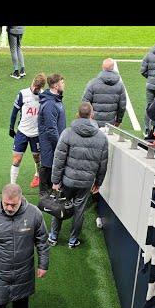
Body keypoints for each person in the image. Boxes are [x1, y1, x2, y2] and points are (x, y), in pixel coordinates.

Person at [49, 102, 109, 249]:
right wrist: (98, 183)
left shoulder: (67, 133)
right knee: (79, 210)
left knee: (60, 206)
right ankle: (72, 240)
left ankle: (53, 237)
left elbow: (58, 159)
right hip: (86, 182)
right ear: (92, 115)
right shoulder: (101, 137)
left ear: (78, 114)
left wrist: (55, 180)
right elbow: (103, 164)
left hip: (67, 180)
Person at [9, 73, 46, 188]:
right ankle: (12, 185)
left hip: (36, 134)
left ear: (41, 87)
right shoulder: (23, 94)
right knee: (16, 159)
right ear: (33, 82)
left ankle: (38, 175)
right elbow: (14, 111)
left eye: (38, 88)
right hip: (22, 132)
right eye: (35, 86)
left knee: (37, 158)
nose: (35, 89)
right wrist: (11, 127)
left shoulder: (44, 96)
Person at [37, 73, 66, 194]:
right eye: (62, 82)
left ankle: (47, 193)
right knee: (48, 166)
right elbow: (51, 128)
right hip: (50, 145)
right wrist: (59, 145)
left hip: (52, 143)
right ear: (55, 85)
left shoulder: (54, 100)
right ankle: (44, 195)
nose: (64, 84)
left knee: (49, 166)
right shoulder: (50, 104)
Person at [82, 58, 126, 127]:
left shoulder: (92, 83)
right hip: (110, 124)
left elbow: (85, 102)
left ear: (102, 67)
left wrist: (88, 117)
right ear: (113, 68)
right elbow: (122, 106)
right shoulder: (120, 85)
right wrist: (118, 120)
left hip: (94, 124)